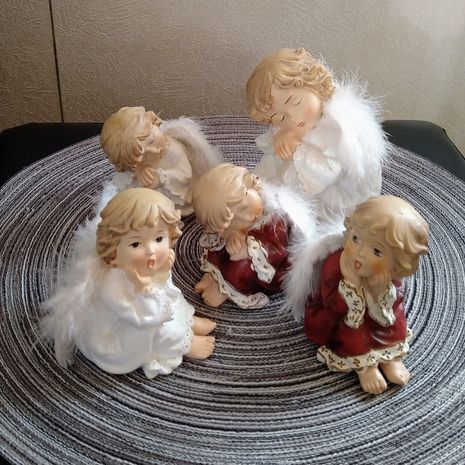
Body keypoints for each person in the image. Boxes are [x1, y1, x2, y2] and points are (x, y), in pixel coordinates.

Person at [42, 188, 216, 378]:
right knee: (161, 329)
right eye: (135, 244)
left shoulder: (142, 264)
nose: (151, 250)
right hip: (122, 333)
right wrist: (144, 288)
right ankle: (183, 343)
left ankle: (185, 324)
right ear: (114, 248)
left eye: (159, 238)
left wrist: (161, 274)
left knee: (172, 302)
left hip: (152, 309)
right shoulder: (110, 284)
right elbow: (147, 319)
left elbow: (166, 293)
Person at [304, 196, 429, 394]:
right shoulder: (336, 264)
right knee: (351, 325)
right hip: (337, 315)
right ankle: (365, 366)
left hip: (373, 317)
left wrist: (380, 291)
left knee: (395, 319)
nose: (360, 253)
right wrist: (351, 286)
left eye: (377, 251)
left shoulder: (387, 275)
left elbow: (395, 303)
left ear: (397, 265)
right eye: (356, 239)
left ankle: (389, 357)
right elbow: (333, 307)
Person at [246, 47, 388, 221]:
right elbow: (275, 157)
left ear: (314, 86)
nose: (293, 118)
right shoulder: (293, 126)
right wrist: (282, 138)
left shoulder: (338, 126)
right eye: (280, 117)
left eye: (296, 102)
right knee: (271, 169)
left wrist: (296, 150)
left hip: (340, 197)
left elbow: (328, 171)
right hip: (307, 183)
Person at [192, 163, 317, 309]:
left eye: (244, 207)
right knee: (218, 245)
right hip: (250, 249)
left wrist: (248, 250)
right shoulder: (244, 220)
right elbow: (224, 233)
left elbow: (277, 253)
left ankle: (226, 289)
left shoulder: (275, 217)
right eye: (234, 221)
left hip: (271, 268)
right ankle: (215, 274)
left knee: (243, 264)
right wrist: (232, 233)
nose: (247, 217)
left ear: (250, 187)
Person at [100, 107, 221, 216]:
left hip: (177, 193)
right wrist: (139, 170)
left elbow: (185, 174)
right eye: (143, 155)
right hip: (154, 199)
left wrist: (161, 179)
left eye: (152, 140)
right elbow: (131, 170)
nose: (154, 150)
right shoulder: (137, 156)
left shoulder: (174, 150)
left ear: (154, 124)